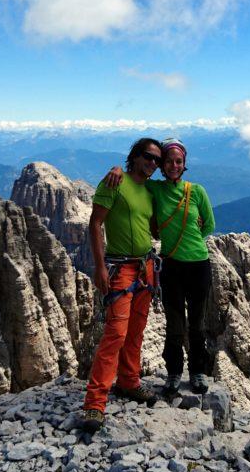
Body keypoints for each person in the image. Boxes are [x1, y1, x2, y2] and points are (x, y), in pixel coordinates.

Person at [103, 137, 216, 397]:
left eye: (179, 161)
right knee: (175, 325)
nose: (173, 165)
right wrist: (117, 169)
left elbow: (209, 225)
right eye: (168, 161)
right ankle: (175, 373)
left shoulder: (197, 191)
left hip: (199, 265)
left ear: (184, 164)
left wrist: (193, 239)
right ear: (162, 166)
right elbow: (135, 181)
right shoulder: (156, 189)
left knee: (197, 325)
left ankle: (197, 372)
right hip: (172, 267)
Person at [80, 137, 163, 432]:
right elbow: (95, 223)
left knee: (136, 331)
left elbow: (153, 224)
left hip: (146, 267)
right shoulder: (114, 182)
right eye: (148, 157)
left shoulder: (150, 190)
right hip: (121, 268)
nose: (153, 163)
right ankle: (94, 403)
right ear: (135, 157)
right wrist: (100, 266)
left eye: (157, 159)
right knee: (115, 333)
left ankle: (129, 382)